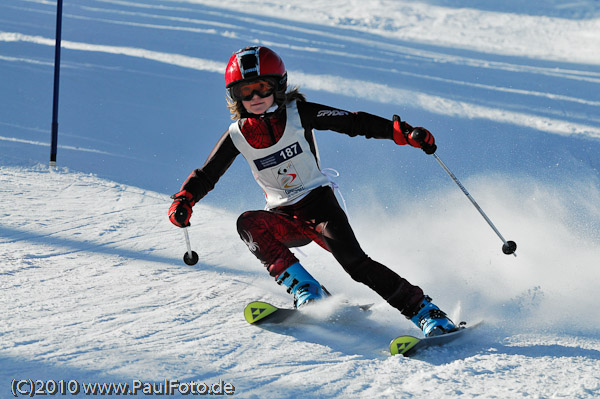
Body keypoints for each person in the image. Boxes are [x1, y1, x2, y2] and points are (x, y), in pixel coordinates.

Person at [169, 45, 457, 337]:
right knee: (248, 224)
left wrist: (401, 132)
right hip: (283, 217)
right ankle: (309, 291)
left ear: (278, 87)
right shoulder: (237, 135)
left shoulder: (298, 113)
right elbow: (207, 174)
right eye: (245, 91)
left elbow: (353, 122)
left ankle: (427, 313)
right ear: (234, 96)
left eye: (261, 88)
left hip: (320, 208)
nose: (255, 98)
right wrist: (186, 199)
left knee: (356, 265)